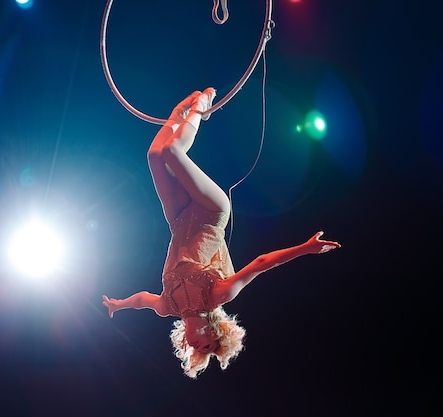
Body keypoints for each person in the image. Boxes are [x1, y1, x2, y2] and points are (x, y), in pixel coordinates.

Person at [102, 88, 340, 378]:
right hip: (210, 213)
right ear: (214, 328)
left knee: (155, 155)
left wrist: (119, 304)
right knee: (172, 152)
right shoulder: (217, 294)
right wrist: (305, 248)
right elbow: (262, 263)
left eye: (197, 347)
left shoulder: (169, 307)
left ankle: (180, 114)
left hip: (178, 220)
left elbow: (142, 300)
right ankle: (201, 106)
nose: (197, 343)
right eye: (207, 342)